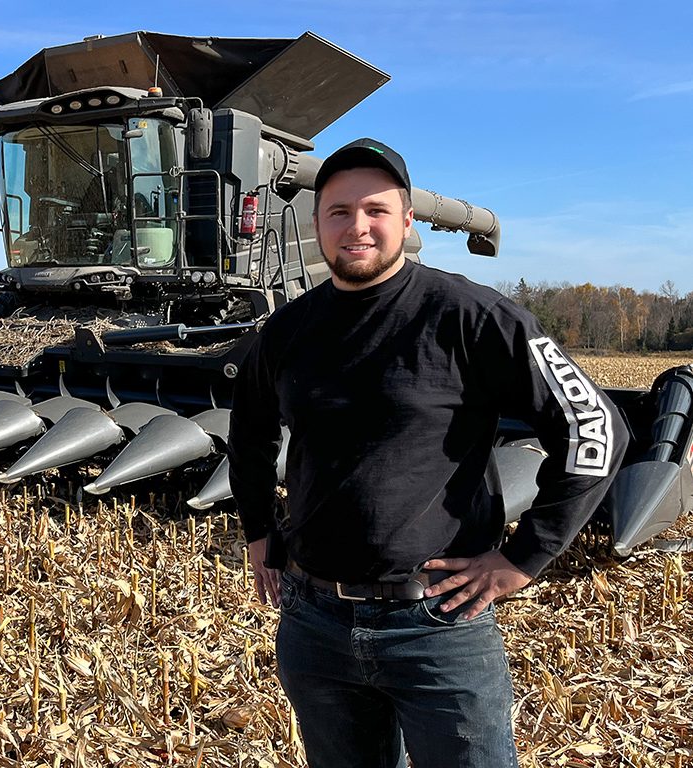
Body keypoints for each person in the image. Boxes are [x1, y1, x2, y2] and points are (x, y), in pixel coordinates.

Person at [226, 138, 628, 768]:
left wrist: (524, 557)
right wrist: (258, 530)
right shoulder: (287, 329)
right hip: (314, 624)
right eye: (339, 211)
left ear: (408, 221)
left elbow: (595, 427)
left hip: (437, 627)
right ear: (316, 224)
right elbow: (248, 432)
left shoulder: (473, 316)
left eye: (376, 210)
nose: (357, 226)